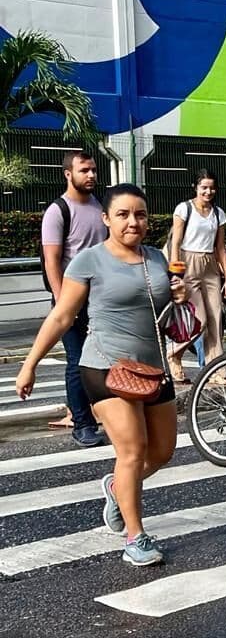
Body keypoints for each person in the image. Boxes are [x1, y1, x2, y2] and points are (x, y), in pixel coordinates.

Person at [16, 184, 188, 566]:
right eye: (124, 215)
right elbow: (62, 316)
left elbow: (168, 307)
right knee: (132, 450)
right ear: (106, 219)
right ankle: (135, 536)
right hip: (104, 367)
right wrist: (29, 365)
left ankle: (116, 487)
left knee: (162, 452)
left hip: (151, 366)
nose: (133, 222)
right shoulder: (88, 262)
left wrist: (179, 293)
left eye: (140, 214)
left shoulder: (156, 258)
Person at [40, 151, 109, 447]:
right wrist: (62, 301)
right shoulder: (58, 211)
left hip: (102, 298)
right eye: (84, 170)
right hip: (70, 299)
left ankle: (105, 412)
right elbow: (52, 260)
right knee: (77, 361)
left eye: (93, 170)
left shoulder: (100, 207)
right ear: (68, 174)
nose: (91, 175)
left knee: (105, 359)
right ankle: (82, 423)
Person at [167, 170, 226, 384]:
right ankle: (174, 353)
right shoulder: (184, 209)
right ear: (196, 187)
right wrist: (176, 274)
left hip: (210, 265)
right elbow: (176, 242)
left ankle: (216, 370)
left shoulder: (218, 213)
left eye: (211, 187)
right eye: (204, 187)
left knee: (216, 319)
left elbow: (220, 247)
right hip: (188, 263)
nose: (208, 191)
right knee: (198, 319)